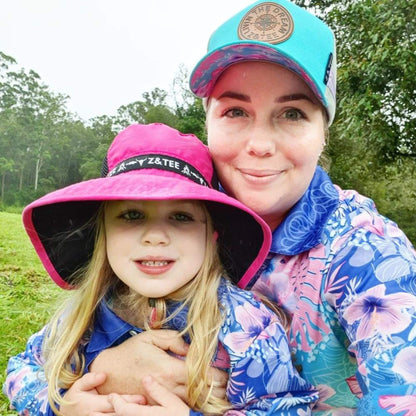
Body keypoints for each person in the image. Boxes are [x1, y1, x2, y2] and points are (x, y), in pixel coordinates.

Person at [5, 0, 416, 414]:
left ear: (324, 130)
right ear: (208, 122)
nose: (260, 144)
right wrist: (95, 375)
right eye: (235, 111)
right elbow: (33, 363)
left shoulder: (368, 252)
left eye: (292, 113)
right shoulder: (182, 203)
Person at [3, 122, 319, 416]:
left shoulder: (245, 326)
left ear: (212, 234)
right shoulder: (82, 316)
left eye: (181, 216)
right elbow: (21, 369)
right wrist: (60, 405)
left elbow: (286, 407)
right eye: (131, 215)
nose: (155, 236)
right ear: (103, 231)